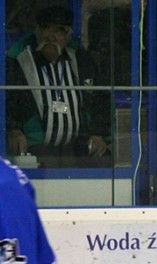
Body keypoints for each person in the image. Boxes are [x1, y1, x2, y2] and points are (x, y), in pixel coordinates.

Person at [5, 6, 111, 167]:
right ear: (37, 31)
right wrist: (14, 129)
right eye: (45, 28)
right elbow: (7, 100)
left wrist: (98, 133)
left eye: (59, 31)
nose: (50, 36)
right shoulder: (18, 61)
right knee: (47, 166)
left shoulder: (83, 61)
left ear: (68, 35)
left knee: (103, 160)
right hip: (36, 144)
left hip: (77, 144)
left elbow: (101, 99)